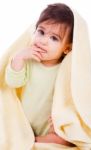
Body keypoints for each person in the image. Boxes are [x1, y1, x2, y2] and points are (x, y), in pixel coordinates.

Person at [5, 3, 74, 147]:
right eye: (41, 32)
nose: (43, 41)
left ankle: (36, 140)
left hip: (48, 127)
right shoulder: (29, 60)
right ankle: (24, 137)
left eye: (54, 38)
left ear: (67, 48)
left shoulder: (65, 70)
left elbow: (71, 99)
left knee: (65, 139)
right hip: (22, 121)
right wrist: (19, 58)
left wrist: (62, 120)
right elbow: (12, 82)